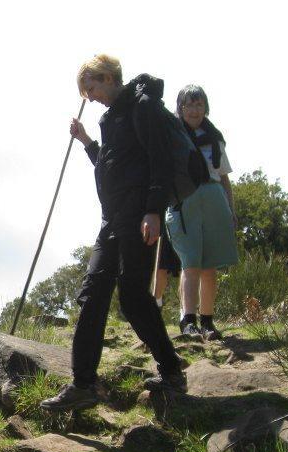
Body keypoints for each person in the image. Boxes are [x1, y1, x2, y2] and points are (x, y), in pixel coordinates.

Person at [41, 54, 185, 412]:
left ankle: (171, 370)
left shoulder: (143, 107)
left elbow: (160, 160)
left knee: (133, 298)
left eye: (90, 88)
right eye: (85, 92)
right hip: (112, 221)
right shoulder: (109, 119)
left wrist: (153, 209)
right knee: (92, 295)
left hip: (139, 217)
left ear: (108, 77)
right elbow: (112, 164)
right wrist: (87, 141)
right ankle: (83, 384)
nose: (89, 97)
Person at [167, 85, 238, 340]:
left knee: (210, 266)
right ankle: (188, 320)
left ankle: (207, 320)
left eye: (199, 105)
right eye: (189, 105)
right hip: (184, 200)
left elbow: (224, 178)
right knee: (191, 262)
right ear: (180, 109)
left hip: (214, 197)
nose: (194, 110)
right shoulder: (173, 136)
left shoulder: (215, 138)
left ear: (205, 108)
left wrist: (231, 208)